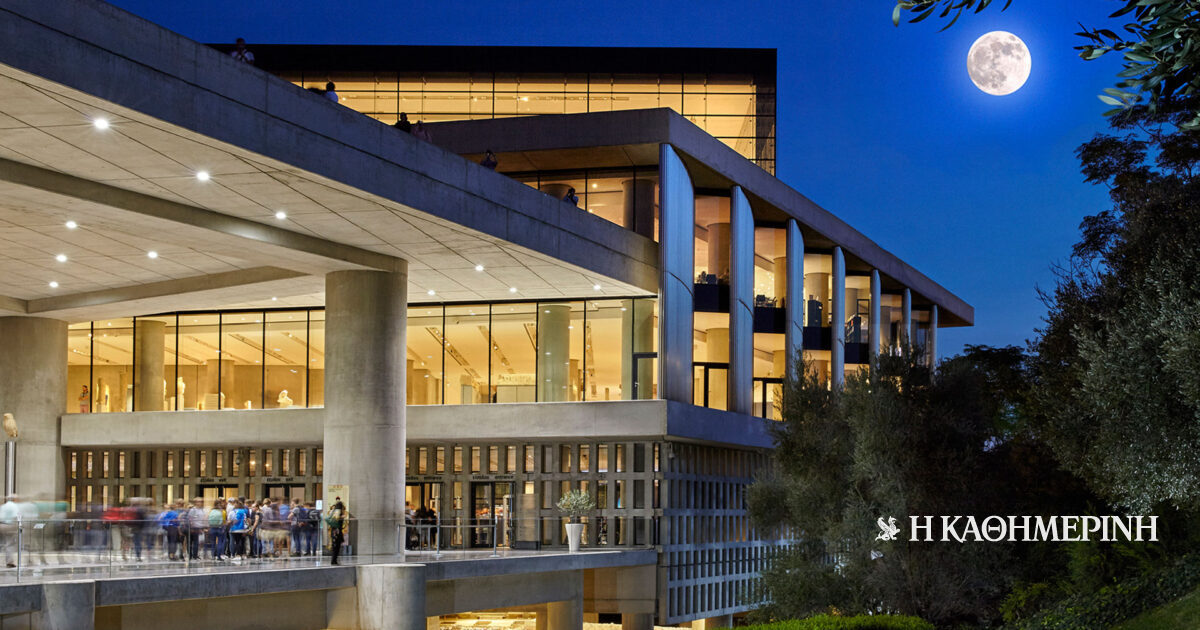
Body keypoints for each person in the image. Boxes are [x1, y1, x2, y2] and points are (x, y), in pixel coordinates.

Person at [326, 497, 347, 565]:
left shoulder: (333, 511)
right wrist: (341, 517)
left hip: (334, 530)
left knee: (335, 545)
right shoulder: (338, 512)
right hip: (337, 530)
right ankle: (334, 560)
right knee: (336, 546)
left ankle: (334, 560)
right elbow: (337, 518)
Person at [0, 495, 18, 568]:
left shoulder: (3, 506)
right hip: (9, 526)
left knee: (3, 543)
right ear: (14, 499)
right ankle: (9, 562)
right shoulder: (14, 506)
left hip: (1, 525)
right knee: (10, 544)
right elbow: (15, 516)